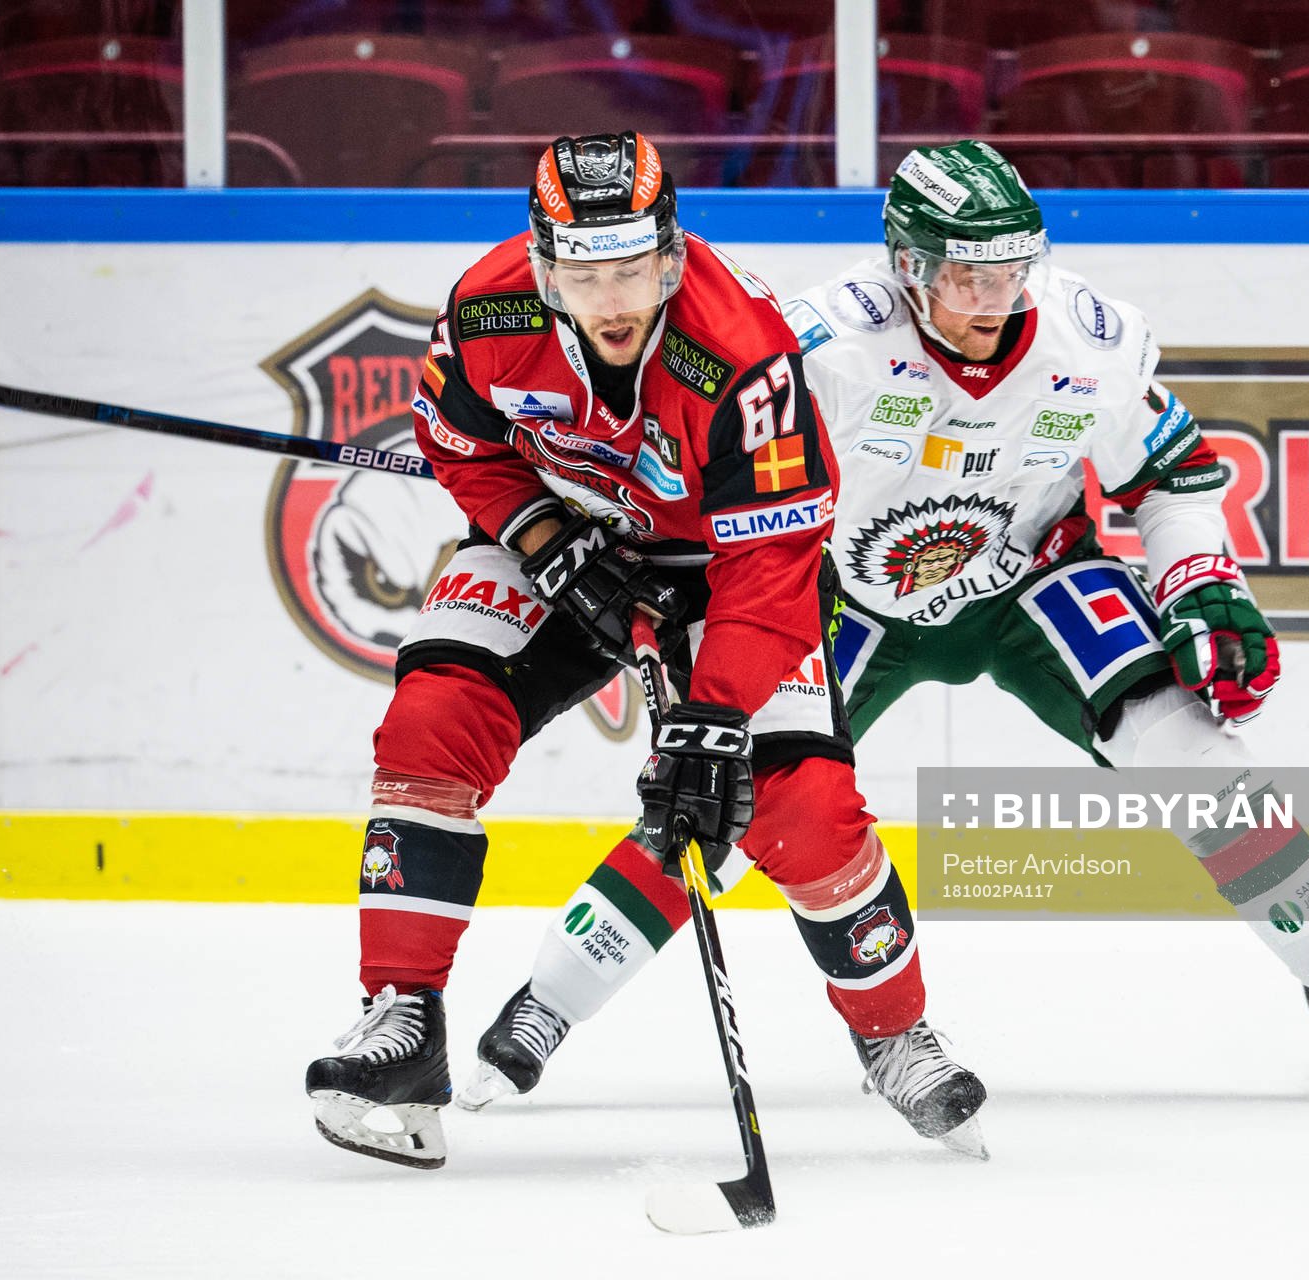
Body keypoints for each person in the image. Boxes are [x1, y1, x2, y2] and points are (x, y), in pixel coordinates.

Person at [459, 140, 1309, 1112]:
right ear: (908, 265)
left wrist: (1202, 579)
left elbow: (1172, 472)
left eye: (1011, 270)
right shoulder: (821, 345)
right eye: (964, 274)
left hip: (1033, 577)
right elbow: (710, 474)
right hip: (842, 597)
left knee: (1188, 748)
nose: (992, 300)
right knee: (720, 791)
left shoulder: (1088, 339)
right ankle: (549, 1001)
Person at [303, 132, 987, 1170]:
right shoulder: (487, 310)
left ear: (671, 254)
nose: (611, 297)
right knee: (433, 715)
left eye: (631, 268)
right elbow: (460, 441)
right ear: (542, 264)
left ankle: (893, 1031)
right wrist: (539, 533)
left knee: (796, 797)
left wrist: (713, 716)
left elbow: (778, 552)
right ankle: (403, 1019)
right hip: (568, 543)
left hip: (730, 571)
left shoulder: (741, 349)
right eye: (583, 271)